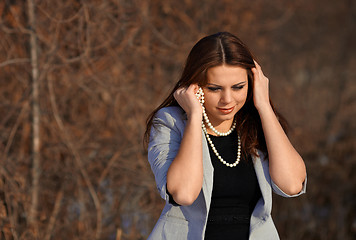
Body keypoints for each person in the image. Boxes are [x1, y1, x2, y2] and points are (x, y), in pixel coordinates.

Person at [144, 32, 307, 240]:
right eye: (215, 89)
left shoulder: (256, 123)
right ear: (195, 86)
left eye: (238, 87)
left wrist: (264, 106)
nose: (227, 100)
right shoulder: (169, 122)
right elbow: (184, 194)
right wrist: (194, 116)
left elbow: (292, 184)